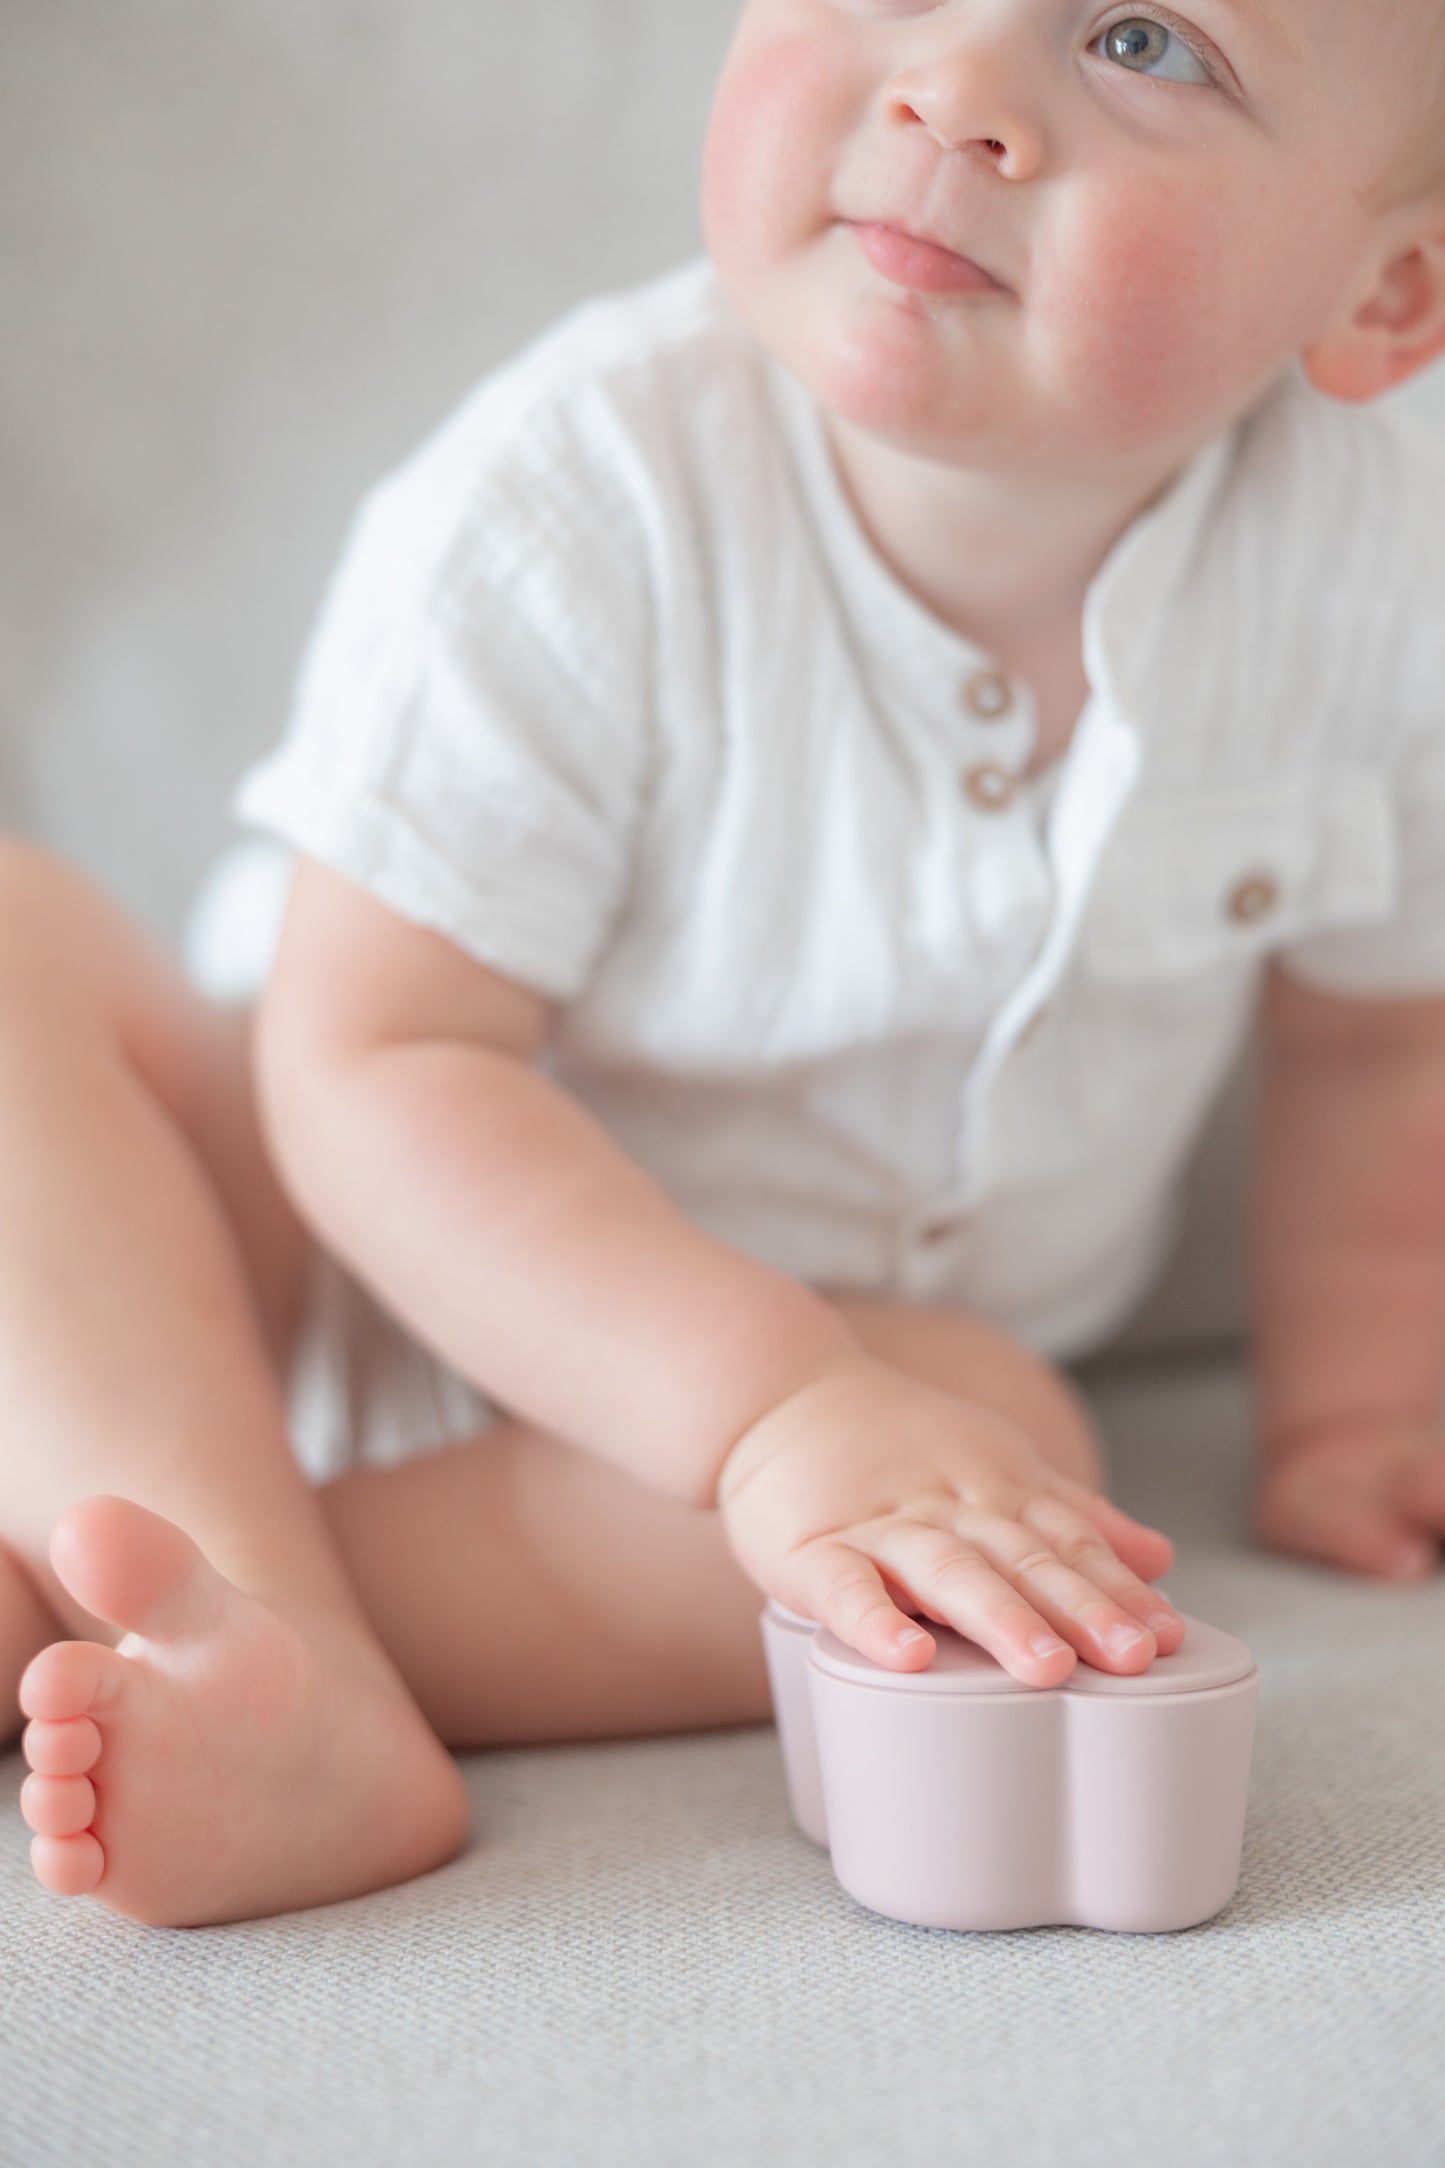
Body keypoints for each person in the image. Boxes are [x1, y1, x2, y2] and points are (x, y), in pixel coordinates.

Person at [6, 0, 1445, 1928]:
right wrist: (762, 1406)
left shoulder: (1375, 589)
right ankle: (242, 1603)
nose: (953, 89)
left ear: (1383, 297)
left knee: (1017, 1467)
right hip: (288, 1270)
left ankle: (202, 1633)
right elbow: (378, 1061)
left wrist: (1360, 1409)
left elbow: (1376, 1038)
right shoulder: (576, 500)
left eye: (1141, 42)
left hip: (833, 1414)